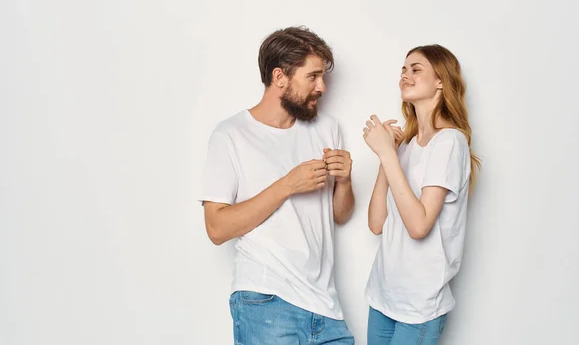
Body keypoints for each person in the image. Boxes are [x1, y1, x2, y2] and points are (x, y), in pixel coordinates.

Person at [200, 26, 355, 344]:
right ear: (279, 76)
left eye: (323, 77)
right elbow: (217, 228)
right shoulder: (230, 135)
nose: (322, 87)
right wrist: (287, 185)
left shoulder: (328, 129)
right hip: (266, 302)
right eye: (312, 77)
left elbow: (339, 215)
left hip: (326, 306)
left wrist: (346, 181)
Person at [362, 44, 480, 345]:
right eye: (403, 69)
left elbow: (419, 226)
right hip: (383, 295)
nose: (406, 75)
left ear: (441, 80)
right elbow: (376, 224)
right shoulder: (407, 145)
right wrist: (386, 156)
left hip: (420, 305)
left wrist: (388, 154)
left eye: (416, 69)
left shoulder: (449, 142)